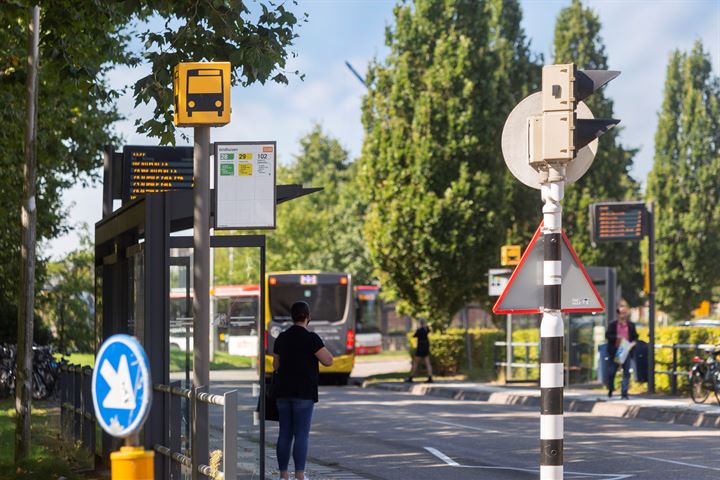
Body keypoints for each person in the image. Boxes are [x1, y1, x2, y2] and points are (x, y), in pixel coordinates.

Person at [272, 301, 334, 480]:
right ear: (308, 317)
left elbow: (276, 365)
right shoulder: (311, 338)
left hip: (283, 392)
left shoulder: (282, 338)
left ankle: (283, 475)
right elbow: (328, 360)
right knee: (301, 434)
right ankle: (299, 474)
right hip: (304, 393)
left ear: (292, 317)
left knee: (284, 433)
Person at [605, 299, 638, 400]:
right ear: (618, 314)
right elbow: (608, 335)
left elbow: (635, 336)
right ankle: (611, 388)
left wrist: (633, 343)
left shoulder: (631, 325)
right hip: (615, 351)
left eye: (624, 313)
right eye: (620, 313)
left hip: (626, 351)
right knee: (612, 372)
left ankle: (624, 393)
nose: (622, 315)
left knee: (626, 372)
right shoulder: (613, 325)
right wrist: (617, 337)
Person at [406, 319, 433, 383]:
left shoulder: (419, 330)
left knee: (415, 362)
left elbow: (414, 335)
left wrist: (416, 328)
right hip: (426, 347)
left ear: (420, 323)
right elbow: (429, 330)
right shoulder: (427, 329)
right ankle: (430, 376)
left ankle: (411, 377)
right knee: (427, 363)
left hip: (420, 347)